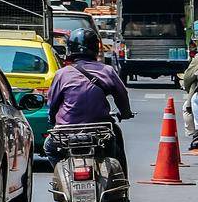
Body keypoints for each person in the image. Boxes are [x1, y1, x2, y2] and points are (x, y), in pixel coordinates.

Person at [46, 29, 134, 171]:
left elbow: (52, 104)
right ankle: (121, 184)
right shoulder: (107, 71)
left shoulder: (62, 74)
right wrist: (125, 113)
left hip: (67, 133)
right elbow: (122, 95)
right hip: (100, 132)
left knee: (49, 147)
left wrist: (51, 119)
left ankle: (61, 176)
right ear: (96, 48)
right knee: (116, 151)